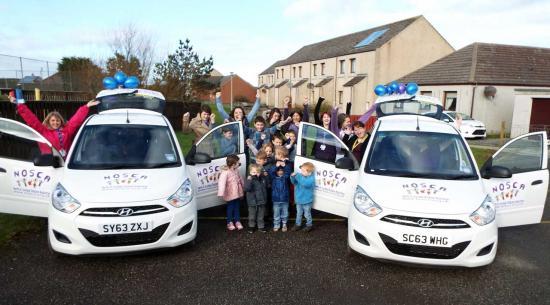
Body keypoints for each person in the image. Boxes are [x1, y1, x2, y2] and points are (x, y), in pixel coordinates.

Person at [10, 95, 99, 159]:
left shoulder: (67, 130)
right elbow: (31, 119)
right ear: (48, 121)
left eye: (57, 120)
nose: (55, 123)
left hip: (65, 164)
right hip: (49, 163)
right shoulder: (43, 131)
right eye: (53, 120)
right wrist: (19, 105)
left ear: (61, 121)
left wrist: (86, 107)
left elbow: (75, 120)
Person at [217, 154, 244, 231]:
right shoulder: (225, 172)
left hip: (237, 192)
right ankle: (229, 222)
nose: (239, 164)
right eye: (238, 163)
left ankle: (237, 221)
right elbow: (222, 183)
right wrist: (221, 193)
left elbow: (240, 179)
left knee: (237, 207)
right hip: (230, 193)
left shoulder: (236, 170)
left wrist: (243, 186)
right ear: (233, 164)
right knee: (230, 207)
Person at [290, 162, 315, 232]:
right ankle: (298, 224)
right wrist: (292, 177)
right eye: (302, 170)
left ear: (309, 172)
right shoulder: (300, 176)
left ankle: (309, 225)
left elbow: (305, 183)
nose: (301, 172)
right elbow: (294, 182)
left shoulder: (311, 179)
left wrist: (297, 176)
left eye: (303, 171)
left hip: (307, 200)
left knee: (307, 214)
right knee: (299, 213)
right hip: (299, 199)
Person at [244, 164, 269, 233]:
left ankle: (261, 226)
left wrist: (267, 176)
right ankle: (251, 226)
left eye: (258, 172)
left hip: (262, 200)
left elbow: (268, 185)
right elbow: (246, 189)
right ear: (250, 172)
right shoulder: (249, 179)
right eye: (254, 172)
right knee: (252, 215)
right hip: (252, 201)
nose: (256, 174)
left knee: (261, 215)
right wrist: (249, 180)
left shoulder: (262, 179)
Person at [268, 165, 291, 232]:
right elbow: (271, 171)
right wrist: (275, 166)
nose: (280, 172)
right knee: (276, 213)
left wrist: (284, 165)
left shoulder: (285, 177)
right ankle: (276, 225)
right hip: (276, 200)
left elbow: (288, 171)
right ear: (276, 171)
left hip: (285, 199)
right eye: (278, 170)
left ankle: (284, 224)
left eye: (282, 170)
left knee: (285, 213)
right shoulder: (273, 178)